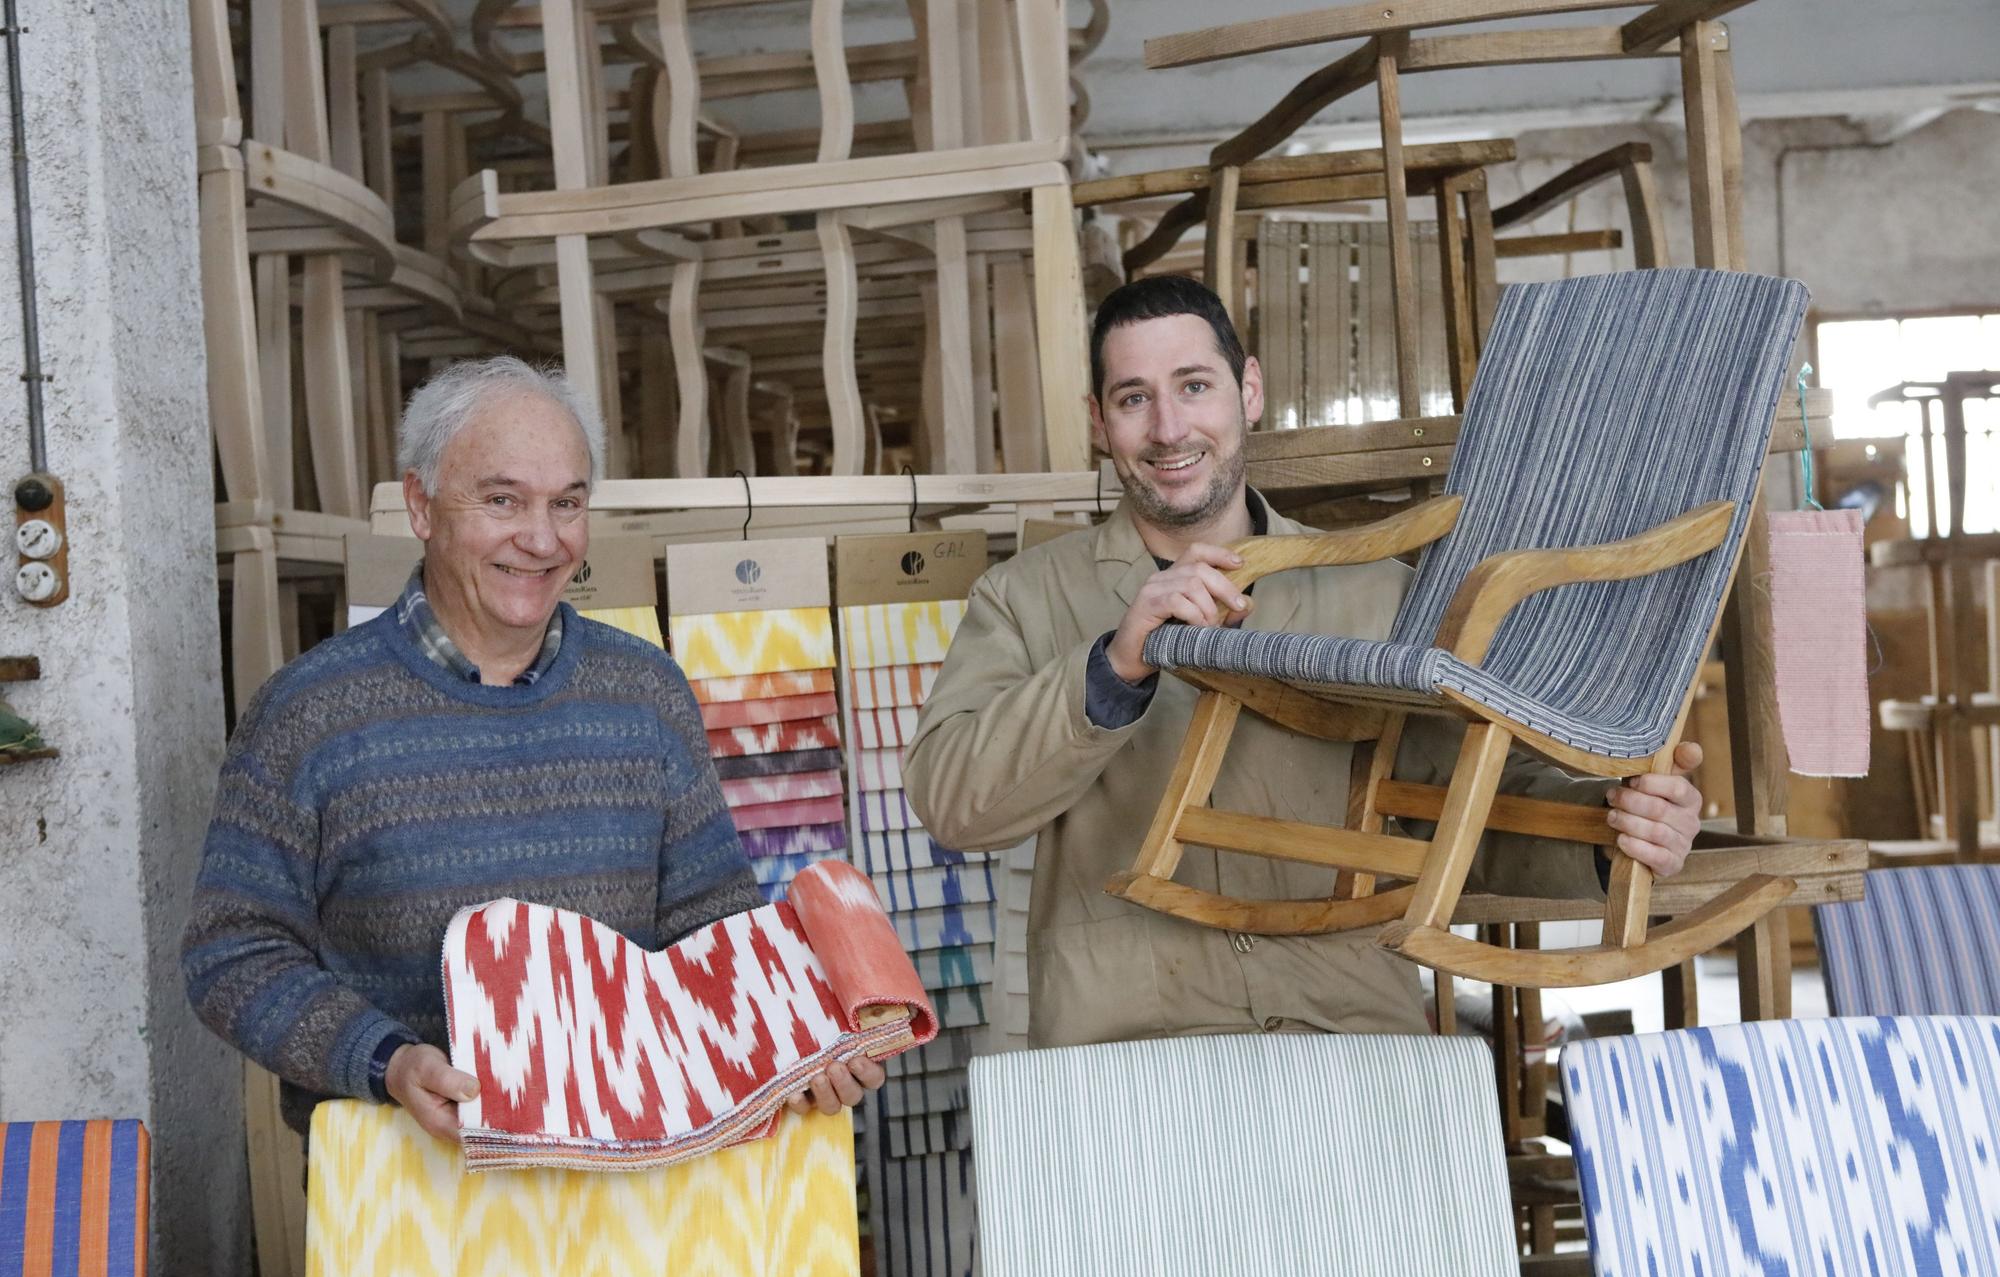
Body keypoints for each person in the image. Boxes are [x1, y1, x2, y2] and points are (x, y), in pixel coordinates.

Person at [903, 275, 1703, 1047]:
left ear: (1248, 392)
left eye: (1194, 386)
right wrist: (1115, 664)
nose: (1169, 429)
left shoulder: (1381, 596)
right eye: (1134, 398)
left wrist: (1607, 834)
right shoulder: (1022, 595)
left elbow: (1463, 811)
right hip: (1128, 1045)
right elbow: (955, 804)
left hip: (1349, 1027)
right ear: (1097, 420)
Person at [183, 356, 881, 1143]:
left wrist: (798, 1037)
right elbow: (232, 952)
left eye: (567, 502)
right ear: (421, 504)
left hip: (633, 1183)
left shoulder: (643, 692)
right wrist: (383, 1059)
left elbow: (709, 925)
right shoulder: (311, 712)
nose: (542, 538)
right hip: (406, 1198)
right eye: (502, 499)